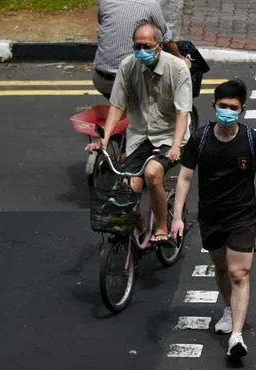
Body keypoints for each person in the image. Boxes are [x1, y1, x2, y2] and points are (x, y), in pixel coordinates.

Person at [173, 79, 256, 360]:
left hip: (242, 217)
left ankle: (237, 336)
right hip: (211, 216)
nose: (227, 111)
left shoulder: (252, 140)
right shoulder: (200, 139)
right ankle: (229, 310)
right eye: (222, 106)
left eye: (233, 107)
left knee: (238, 273)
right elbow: (184, 177)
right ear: (214, 106)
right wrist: (177, 217)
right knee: (221, 270)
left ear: (242, 109)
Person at [88, 21, 192, 243]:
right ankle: (141, 227)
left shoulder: (178, 68)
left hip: (169, 136)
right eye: (137, 46)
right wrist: (104, 139)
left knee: (153, 174)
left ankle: (162, 228)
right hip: (139, 137)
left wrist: (175, 147)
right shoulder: (128, 66)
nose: (141, 51)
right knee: (127, 187)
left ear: (159, 46)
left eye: (147, 46)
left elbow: (183, 112)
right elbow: (117, 106)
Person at [91, 0, 182, 99]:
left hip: (100, 79)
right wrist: (181, 61)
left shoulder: (105, 2)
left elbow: (103, 23)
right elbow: (167, 41)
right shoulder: (150, 5)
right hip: (129, 82)